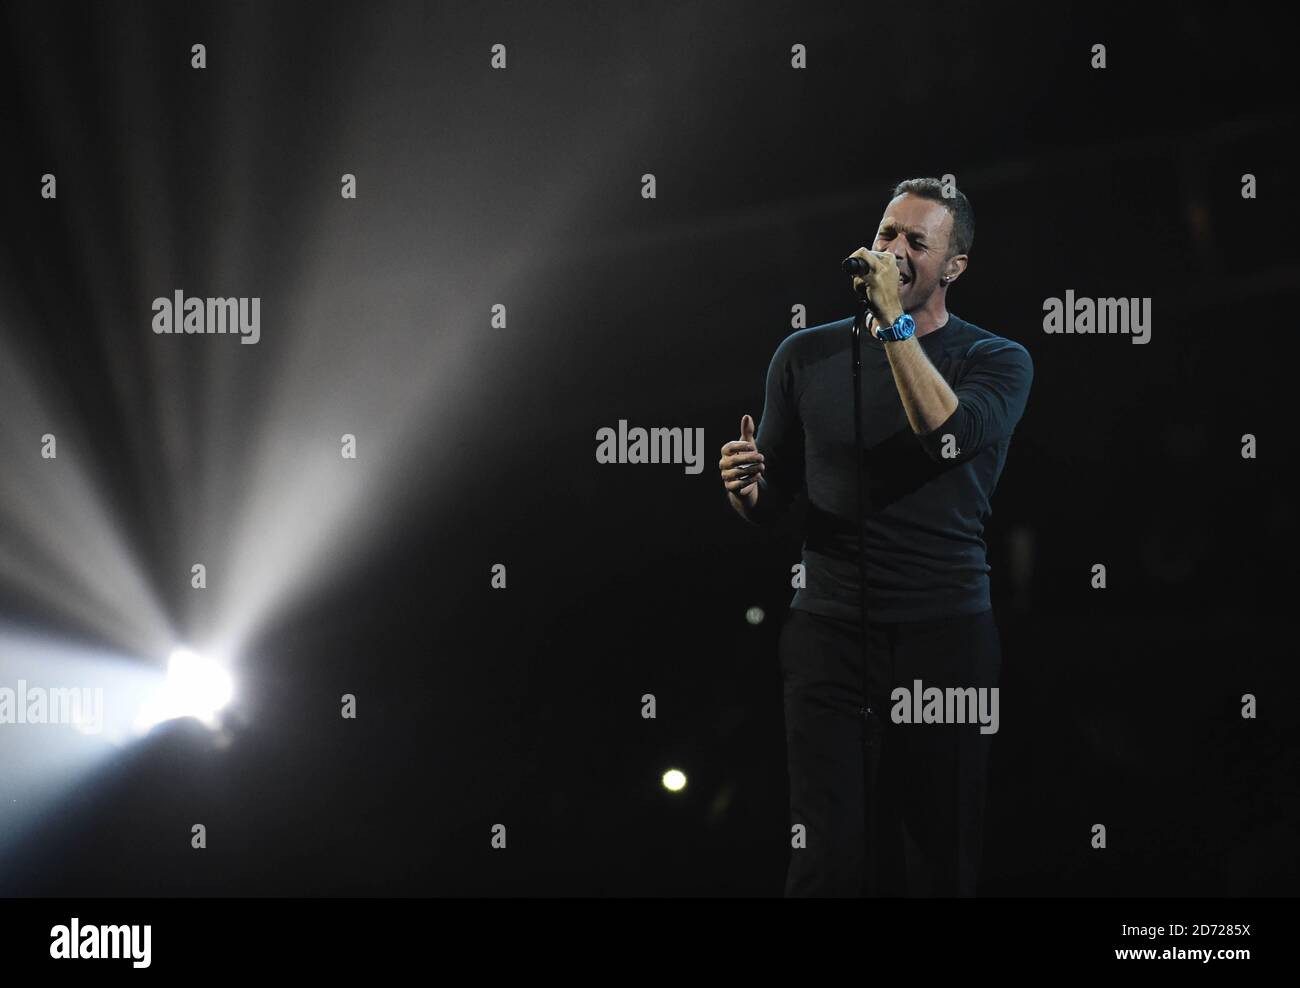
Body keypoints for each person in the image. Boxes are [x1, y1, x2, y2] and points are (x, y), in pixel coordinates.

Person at [719, 177, 1033, 896]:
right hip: (831, 635)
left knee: (938, 850)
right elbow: (773, 507)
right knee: (828, 856)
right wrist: (746, 489)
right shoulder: (803, 355)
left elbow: (946, 439)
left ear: (953, 266)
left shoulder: (997, 360)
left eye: (916, 242)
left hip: (944, 633)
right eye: (887, 233)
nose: (891, 251)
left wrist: (893, 323)